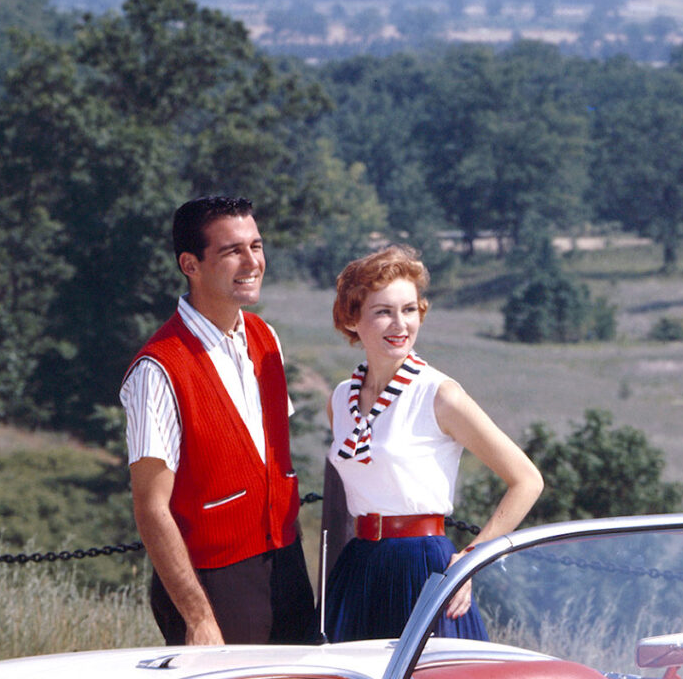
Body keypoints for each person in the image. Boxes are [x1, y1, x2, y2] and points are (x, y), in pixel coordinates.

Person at [121, 195, 321, 648]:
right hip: (215, 581)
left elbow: (262, 457)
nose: (252, 262)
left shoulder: (265, 337)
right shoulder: (158, 369)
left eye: (257, 246)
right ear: (190, 264)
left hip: (286, 568)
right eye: (233, 251)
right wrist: (198, 617)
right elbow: (151, 509)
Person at [323, 245, 542, 641]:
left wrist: (469, 563)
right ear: (352, 319)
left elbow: (527, 480)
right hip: (358, 567)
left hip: (424, 568)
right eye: (383, 311)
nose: (400, 324)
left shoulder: (440, 395)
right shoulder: (341, 398)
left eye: (409, 309)